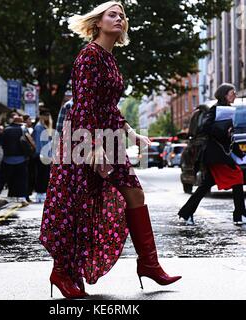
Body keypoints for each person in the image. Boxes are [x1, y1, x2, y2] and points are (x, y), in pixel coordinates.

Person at [39, 1, 181, 299]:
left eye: (122, 16)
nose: (119, 19)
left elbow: (108, 105)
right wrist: (92, 146)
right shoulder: (89, 56)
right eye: (112, 15)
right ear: (98, 22)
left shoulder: (109, 58)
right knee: (76, 205)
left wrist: (131, 132)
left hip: (110, 140)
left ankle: (149, 265)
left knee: (135, 194)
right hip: (84, 139)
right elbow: (86, 105)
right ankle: (62, 272)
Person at [178, 83, 246, 226]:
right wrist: (223, 131)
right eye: (232, 93)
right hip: (215, 154)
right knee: (237, 176)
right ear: (225, 94)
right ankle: (240, 214)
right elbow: (205, 127)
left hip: (219, 154)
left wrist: (239, 152)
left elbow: (229, 137)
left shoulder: (228, 109)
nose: (234, 95)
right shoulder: (215, 109)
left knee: (206, 185)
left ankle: (186, 212)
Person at [0, 115, 29, 206]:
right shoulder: (23, 129)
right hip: (20, 158)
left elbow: (1, 142)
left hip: (7, 158)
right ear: (20, 123)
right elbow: (27, 142)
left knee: (2, 177)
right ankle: (22, 198)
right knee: (21, 179)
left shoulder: (6, 129)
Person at [32, 110, 53, 203]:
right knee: (41, 174)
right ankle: (39, 193)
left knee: (45, 174)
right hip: (42, 154)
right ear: (42, 116)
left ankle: (42, 192)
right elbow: (38, 141)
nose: (48, 118)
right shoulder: (39, 127)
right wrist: (41, 153)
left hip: (46, 154)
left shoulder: (44, 126)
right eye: (46, 116)